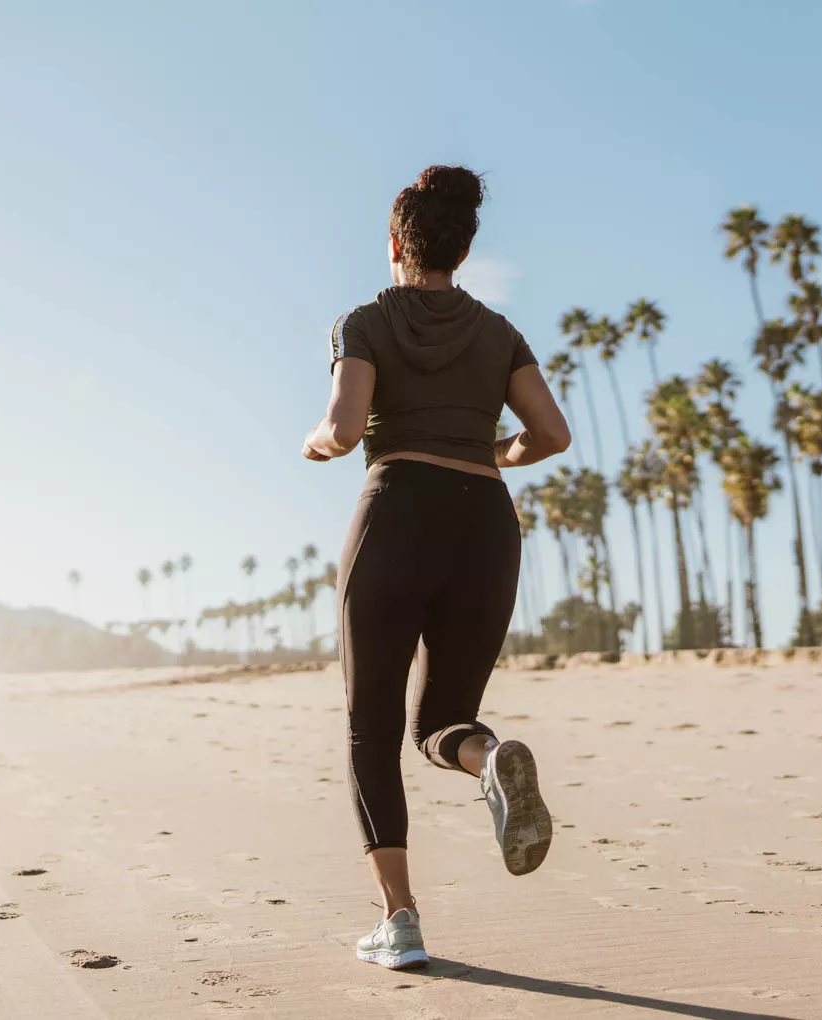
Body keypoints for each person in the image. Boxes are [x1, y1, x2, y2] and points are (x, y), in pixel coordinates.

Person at [302, 164, 572, 970]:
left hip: (398, 513)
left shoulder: (364, 321)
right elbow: (551, 434)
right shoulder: (499, 333)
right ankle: (490, 759)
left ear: (395, 244)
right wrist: (491, 451)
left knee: (371, 727)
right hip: (488, 522)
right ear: (463, 248)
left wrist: (314, 441)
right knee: (443, 721)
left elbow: (347, 430)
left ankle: (402, 920)